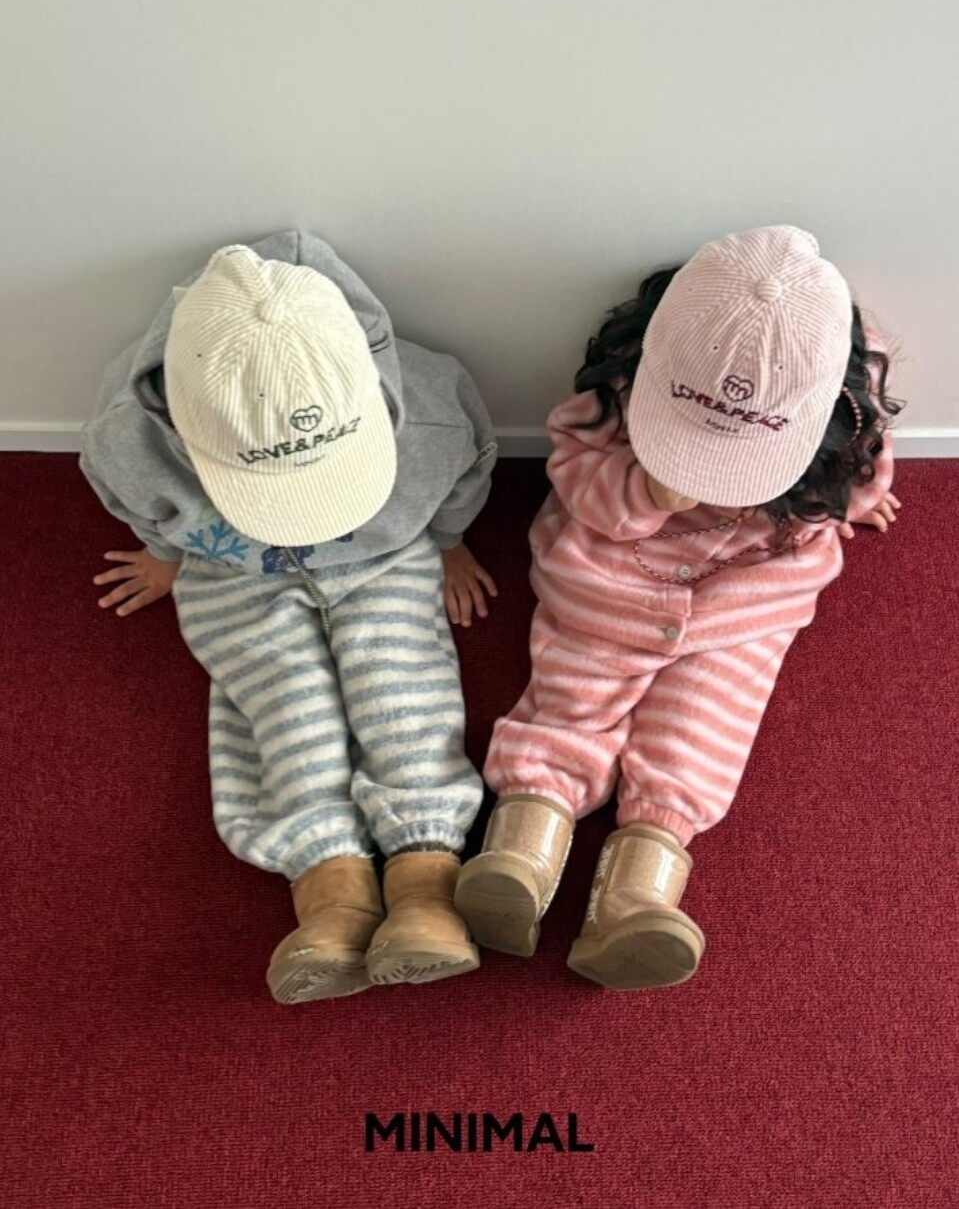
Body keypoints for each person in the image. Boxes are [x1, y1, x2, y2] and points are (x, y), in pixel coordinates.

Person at [455, 225, 902, 991]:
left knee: (701, 727)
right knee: (570, 694)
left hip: (744, 601)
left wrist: (848, 499)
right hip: (611, 578)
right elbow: (572, 470)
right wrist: (645, 489)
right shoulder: (623, 386)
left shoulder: (841, 409)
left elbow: (859, 474)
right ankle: (523, 840)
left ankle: (636, 895)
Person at [80, 232, 499, 1003]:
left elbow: (464, 470)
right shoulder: (127, 436)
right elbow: (135, 497)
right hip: (231, 565)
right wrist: (165, 555)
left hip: (383, 552)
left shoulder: (431, 413)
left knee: (397, 677)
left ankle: (424, 875)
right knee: (283, 696)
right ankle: (329, 881)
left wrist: (449, 542)